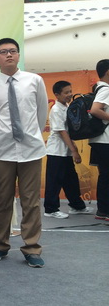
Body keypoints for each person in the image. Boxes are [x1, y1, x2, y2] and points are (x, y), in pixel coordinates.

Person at [0, 38, 48, 268]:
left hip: (30, 148)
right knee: (3, 199)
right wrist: (5, 132)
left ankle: (31, 247)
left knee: (31, 201)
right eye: (3, 52)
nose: (9, 55)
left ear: (19, 55)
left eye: (13, 51)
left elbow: (41, 112)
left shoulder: (34, 80)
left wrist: (29, 133)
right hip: (3, 150)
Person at [44, 80, 94, 218]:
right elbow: (62, 132)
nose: (70, 94)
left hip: (65, 151)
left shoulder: (67, 106)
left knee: (71, 179)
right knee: (54, 181)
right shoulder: (56, 110)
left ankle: (76, 206)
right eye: (66, 92)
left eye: (70, 91)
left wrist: (72, 147)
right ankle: (50, 209)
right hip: (56, 151)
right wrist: (74, 151)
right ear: (57, 94)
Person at [89, 59, 109, 222]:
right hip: (105, 140)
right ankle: (105, 210)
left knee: (105, 175)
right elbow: (95, 110)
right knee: (106, 176)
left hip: (99, 139)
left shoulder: (97, 87)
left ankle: (103, 210)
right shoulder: (106, 89)